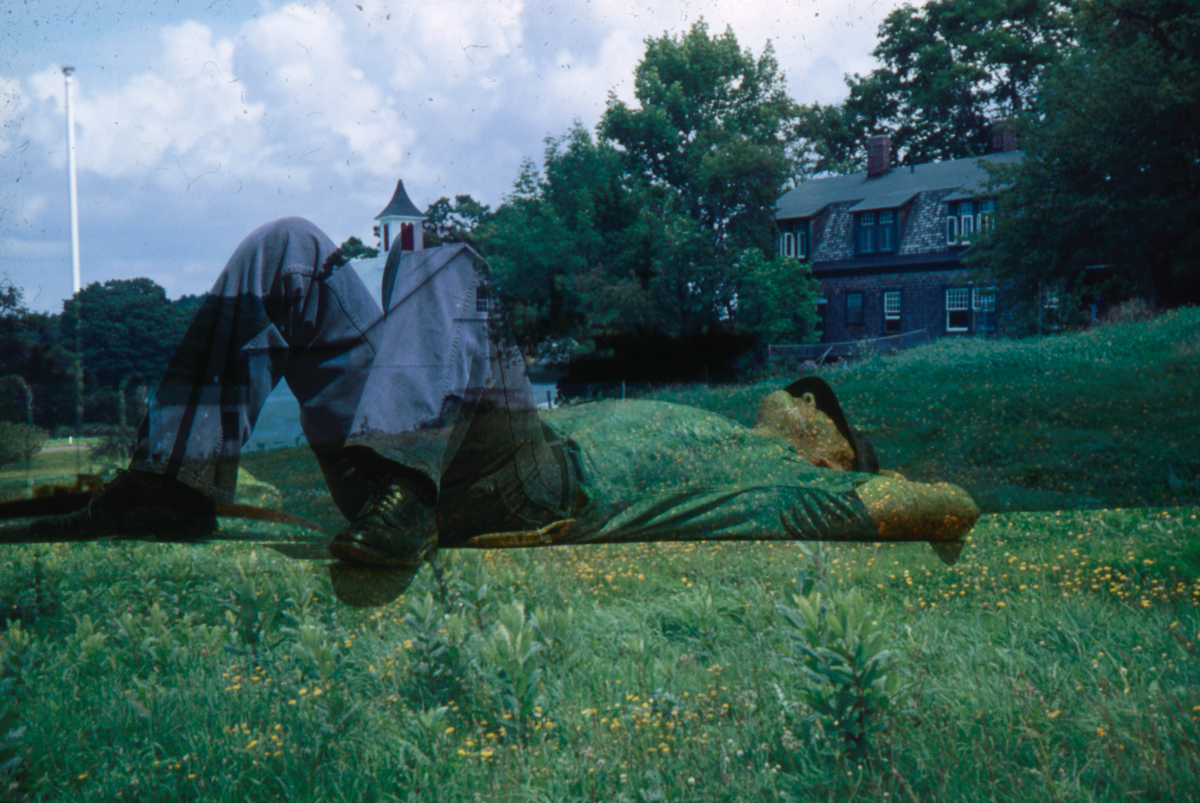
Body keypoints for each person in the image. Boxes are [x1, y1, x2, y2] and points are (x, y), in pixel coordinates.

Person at [26, 218, 979, 565]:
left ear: (831, 450)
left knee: (451, 263)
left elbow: (941, 505)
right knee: (290, 246)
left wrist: (889, 497)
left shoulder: (793, 486)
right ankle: (173, 487)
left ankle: (409, 488)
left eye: (816, 410)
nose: (798, 398)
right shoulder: (731, 428)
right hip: (418, 458)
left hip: (530, 484)